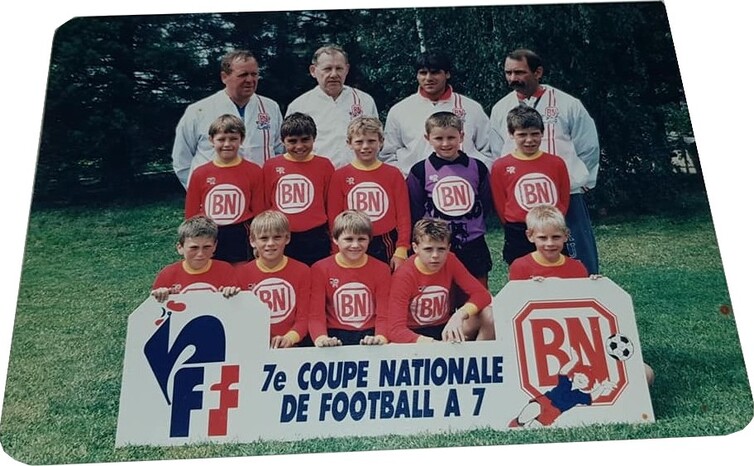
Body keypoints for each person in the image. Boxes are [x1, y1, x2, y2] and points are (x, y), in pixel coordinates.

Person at [509, 205, 655, 386]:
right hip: (539, 344)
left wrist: (596, 289)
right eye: (542, 238)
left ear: (566, 235)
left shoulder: (577, 268)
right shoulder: (520, 266)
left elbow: (587, 311)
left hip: (578, 341)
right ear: (530, 236)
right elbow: (514, 311)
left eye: (556, 237)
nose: (550, 243)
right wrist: (530, 291)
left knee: (646, 373)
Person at [489, 48, 600, 274]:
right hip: (522, 199)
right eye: (508, 73)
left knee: (578, 258)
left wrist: (581, 179)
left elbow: (588, 146)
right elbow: (496, 150)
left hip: (564, 195)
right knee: (526, 263)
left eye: (519, 72)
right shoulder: (501, 108)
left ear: (538, 72)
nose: (512, 79)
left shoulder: (568, 104)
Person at [171, 49, 284, 189]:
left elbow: (280, 151)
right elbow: (182, 159)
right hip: (217, 193)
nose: (250, 80)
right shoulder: (198, 111)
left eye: (254, 74)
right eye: (243, 75)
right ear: (224, 77)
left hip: (260, 193)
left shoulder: (270, 107)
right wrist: (199, 190)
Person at [407, 111, 493, 287]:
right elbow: (415, 210)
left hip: (473, 245)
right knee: (442, 296)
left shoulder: (477, 167)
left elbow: (486, 203)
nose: (445, 143)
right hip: (437, 247)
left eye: (451, 137)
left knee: (477, 296)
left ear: (461, 136)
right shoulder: (420, 171)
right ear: (428, 138)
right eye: (438, 138)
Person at [380, 50, 494, 175]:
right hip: (416, 185)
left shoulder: (471, 108)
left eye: (435, 72)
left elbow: (487, 150)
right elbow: (388, 154)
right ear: (417, 76)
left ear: (447, 74)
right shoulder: (400, 110)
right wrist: (407, 179)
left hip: (464, 183)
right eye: (423, 73)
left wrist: (475, 174)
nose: (428, 78)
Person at [388, 218, 495, 344]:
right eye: (428, 249)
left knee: (489, 315)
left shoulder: (450, 260)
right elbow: (395, 329)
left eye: (441, 249)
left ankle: (478, 358)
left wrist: (459, 315)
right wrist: (432, 344)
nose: (435, 255)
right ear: (415, 248)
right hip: (414, 335)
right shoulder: (404, 275)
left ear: (448, 248)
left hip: (445, 328)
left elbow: (482, 295)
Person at [327, 116, 410, 270]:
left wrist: (402, 248)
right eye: (359, 142)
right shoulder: (340, 176)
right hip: (351, 242)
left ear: (381, 142)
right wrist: (335, 249)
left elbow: (404, 215)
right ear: (349, 144)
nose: (365, 146)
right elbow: (334, 218)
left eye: (371, 141)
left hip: (384, 242)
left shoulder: (393, 174)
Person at [490, 106, 570, 267]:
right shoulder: (501, 166)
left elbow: (563, 196)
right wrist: (511, 221)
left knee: (556, 269)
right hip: (518, 229)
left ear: (542, 133)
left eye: (535, 134)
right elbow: (500, 200)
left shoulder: (556, 163)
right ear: (511, 134)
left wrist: (554, 219)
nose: (529, 140)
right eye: (522, 135)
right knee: (521, 270)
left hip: (550, 227)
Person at [185, 114, 264, 264]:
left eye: (233, 139)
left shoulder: (253, 171)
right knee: (211, 272)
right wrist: (191, 241)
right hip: (209, 233)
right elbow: (191, 213)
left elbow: (259, 212)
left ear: (242, 139)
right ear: (211, 140)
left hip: (240, 233)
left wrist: (259, 240)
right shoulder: (200, 173)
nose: (227, 144)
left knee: (240, 274)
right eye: (221, 139)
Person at [286, 45, 379, 169]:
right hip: (316, 175)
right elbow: (290, 148)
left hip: (357, 176)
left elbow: (377, 141)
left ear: (347, 69)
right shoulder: (299, 106)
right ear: (313, 71)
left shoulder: (364, 101)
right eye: (327, 69)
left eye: (339, 68)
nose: (334, 74)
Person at [309, 210, 392, 347]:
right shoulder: (320, 269)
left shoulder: (382, 269)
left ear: (369, 239)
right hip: (334, 334)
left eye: (361, 239)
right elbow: (316, 314)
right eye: (348, 239)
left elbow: (384, 313)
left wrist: (380, 338)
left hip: (370, 333)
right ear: (335, 239)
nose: (355, 245)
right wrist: (321, 338)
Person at [262, 112, 334, 266]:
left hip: (316, 236)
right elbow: (265, 204)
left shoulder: (324, 165)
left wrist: (334, 240)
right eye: (292, 141)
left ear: (314, 138)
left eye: (305, 140)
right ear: (282, 141)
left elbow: (330, 204)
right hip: (280, 237)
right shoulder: (271, 166)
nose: (299, 146)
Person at [235, 210, 311, 349]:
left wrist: (290, 338)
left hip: (294, 345)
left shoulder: (302, 271)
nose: (270, 243)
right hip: (254, 345)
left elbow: (304, 317)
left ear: (287, 238)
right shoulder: (241, 274)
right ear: (252, 241)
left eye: (277, 237)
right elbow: (239, 318)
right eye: (264, 238)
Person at [508, 347, 617, 428]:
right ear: (574, 374)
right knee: (529, 412)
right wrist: (573, 361)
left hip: (554, 412)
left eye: (584, 380)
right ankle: (515, 425)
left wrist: (602, 387)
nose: (581, 379)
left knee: (535, 427)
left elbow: (592, 397)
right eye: (580, 375)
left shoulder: (580, 396)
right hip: (545, 401)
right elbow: (563, 371)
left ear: (587, 385)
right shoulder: (565, 383)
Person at [151, 215, 240, 302]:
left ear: (215, 246)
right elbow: (154, 310)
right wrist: (160, 295)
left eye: (206, 247)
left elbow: (238, 307)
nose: (200, 254)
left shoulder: (225, 270)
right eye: (194, 248)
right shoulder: (168, 275)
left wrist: (232, 294)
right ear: (180, 247)